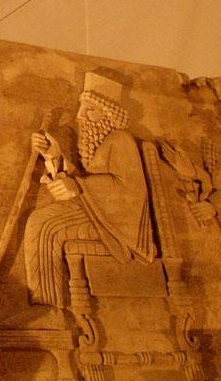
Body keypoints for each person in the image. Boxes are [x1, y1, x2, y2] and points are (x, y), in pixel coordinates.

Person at [24, 72, 155, 309]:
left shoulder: (121, 140)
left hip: (119, 224)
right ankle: (45, 304)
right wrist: (53, 156)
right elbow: (86, 181)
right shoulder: (101, 145)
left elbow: (130, 191)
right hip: (96, 211)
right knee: (40, 221)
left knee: (44, 224)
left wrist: (79, 186)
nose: (80, 116)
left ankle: (48, 307)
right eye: (81, 108)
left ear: (109, 115)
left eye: (90, 110)